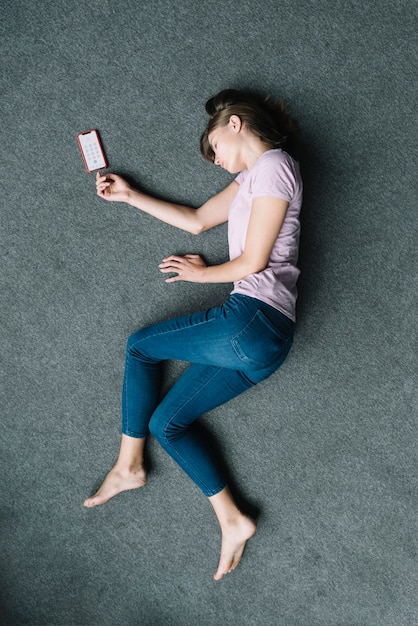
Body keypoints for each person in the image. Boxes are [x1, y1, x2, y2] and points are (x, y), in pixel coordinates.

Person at [84, 89, 303, 581]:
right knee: (168, 424)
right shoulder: (252, 178)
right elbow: (198, 219)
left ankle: (127, 464)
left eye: (215, 148)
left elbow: (254, 262)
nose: (217, 161)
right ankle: (233, 518)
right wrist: (129, 195)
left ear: (235, 123)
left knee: (140, 347)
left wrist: (199, 275)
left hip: (254, 317)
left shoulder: (275, 166)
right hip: (265, 345)